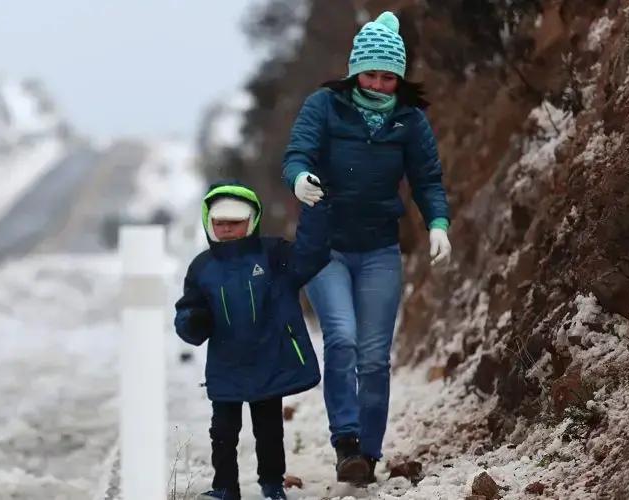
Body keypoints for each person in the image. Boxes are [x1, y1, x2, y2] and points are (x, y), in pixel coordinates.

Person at [280, 11, 452, 485]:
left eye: (388, 76)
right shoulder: (324, 106)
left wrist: (437, 223)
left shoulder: (410, 121)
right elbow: (296, 155)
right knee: (342, 338)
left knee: (374, 356)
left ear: (398, 78)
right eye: (371, 73)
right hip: (325, 247)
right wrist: (299, 181)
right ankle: (346, 441)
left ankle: (367, 456)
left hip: (379, 250)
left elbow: (428, 180)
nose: (378, 84)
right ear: (355, 71)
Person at [174, 180, 331, 500]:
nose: (227, 229)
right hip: (226, 365)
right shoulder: (202, 268)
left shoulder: (273, 254)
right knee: (223, 432)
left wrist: (315, 209)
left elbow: (310, 256)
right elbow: (187, 313)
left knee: (269, 429)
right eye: (220, 223)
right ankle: (225, 487)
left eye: (235, 223)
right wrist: (193, 322)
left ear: (252, 220)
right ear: (208, 223)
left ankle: (272, 484)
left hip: (268, 360)